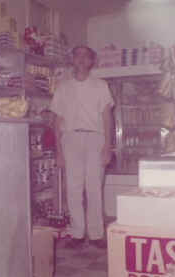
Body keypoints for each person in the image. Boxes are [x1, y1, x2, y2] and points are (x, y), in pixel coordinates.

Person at [49, 45, 114, 249]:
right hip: (70, 139)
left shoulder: (101, 85)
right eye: (77, 55)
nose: (81, 59)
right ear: (72, 60)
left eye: (86, 56)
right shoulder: (63, 87)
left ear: (91, 61)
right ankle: (77, 233)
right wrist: (59, 152)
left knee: (94, 187)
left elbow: (107, 117)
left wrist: (107, 147)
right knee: (73, 188)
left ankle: (96, 234)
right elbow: (56, 122)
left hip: (96, 139)